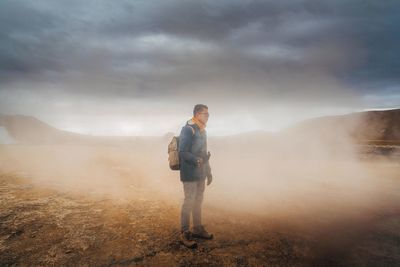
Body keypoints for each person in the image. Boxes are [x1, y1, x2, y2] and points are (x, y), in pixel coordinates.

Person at [178, 104, 213, 248]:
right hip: (190, 173)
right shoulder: (188, 129)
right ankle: (185, 233)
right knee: (189, 202)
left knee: (198, 201)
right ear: (198, 114)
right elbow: (182, 152)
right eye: (206, 114)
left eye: (208, 114)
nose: (208, 116)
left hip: (201, 173)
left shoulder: (202, 130)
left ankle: (197, 228)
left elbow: (205, 154)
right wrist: (196, 160)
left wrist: (209, 172)